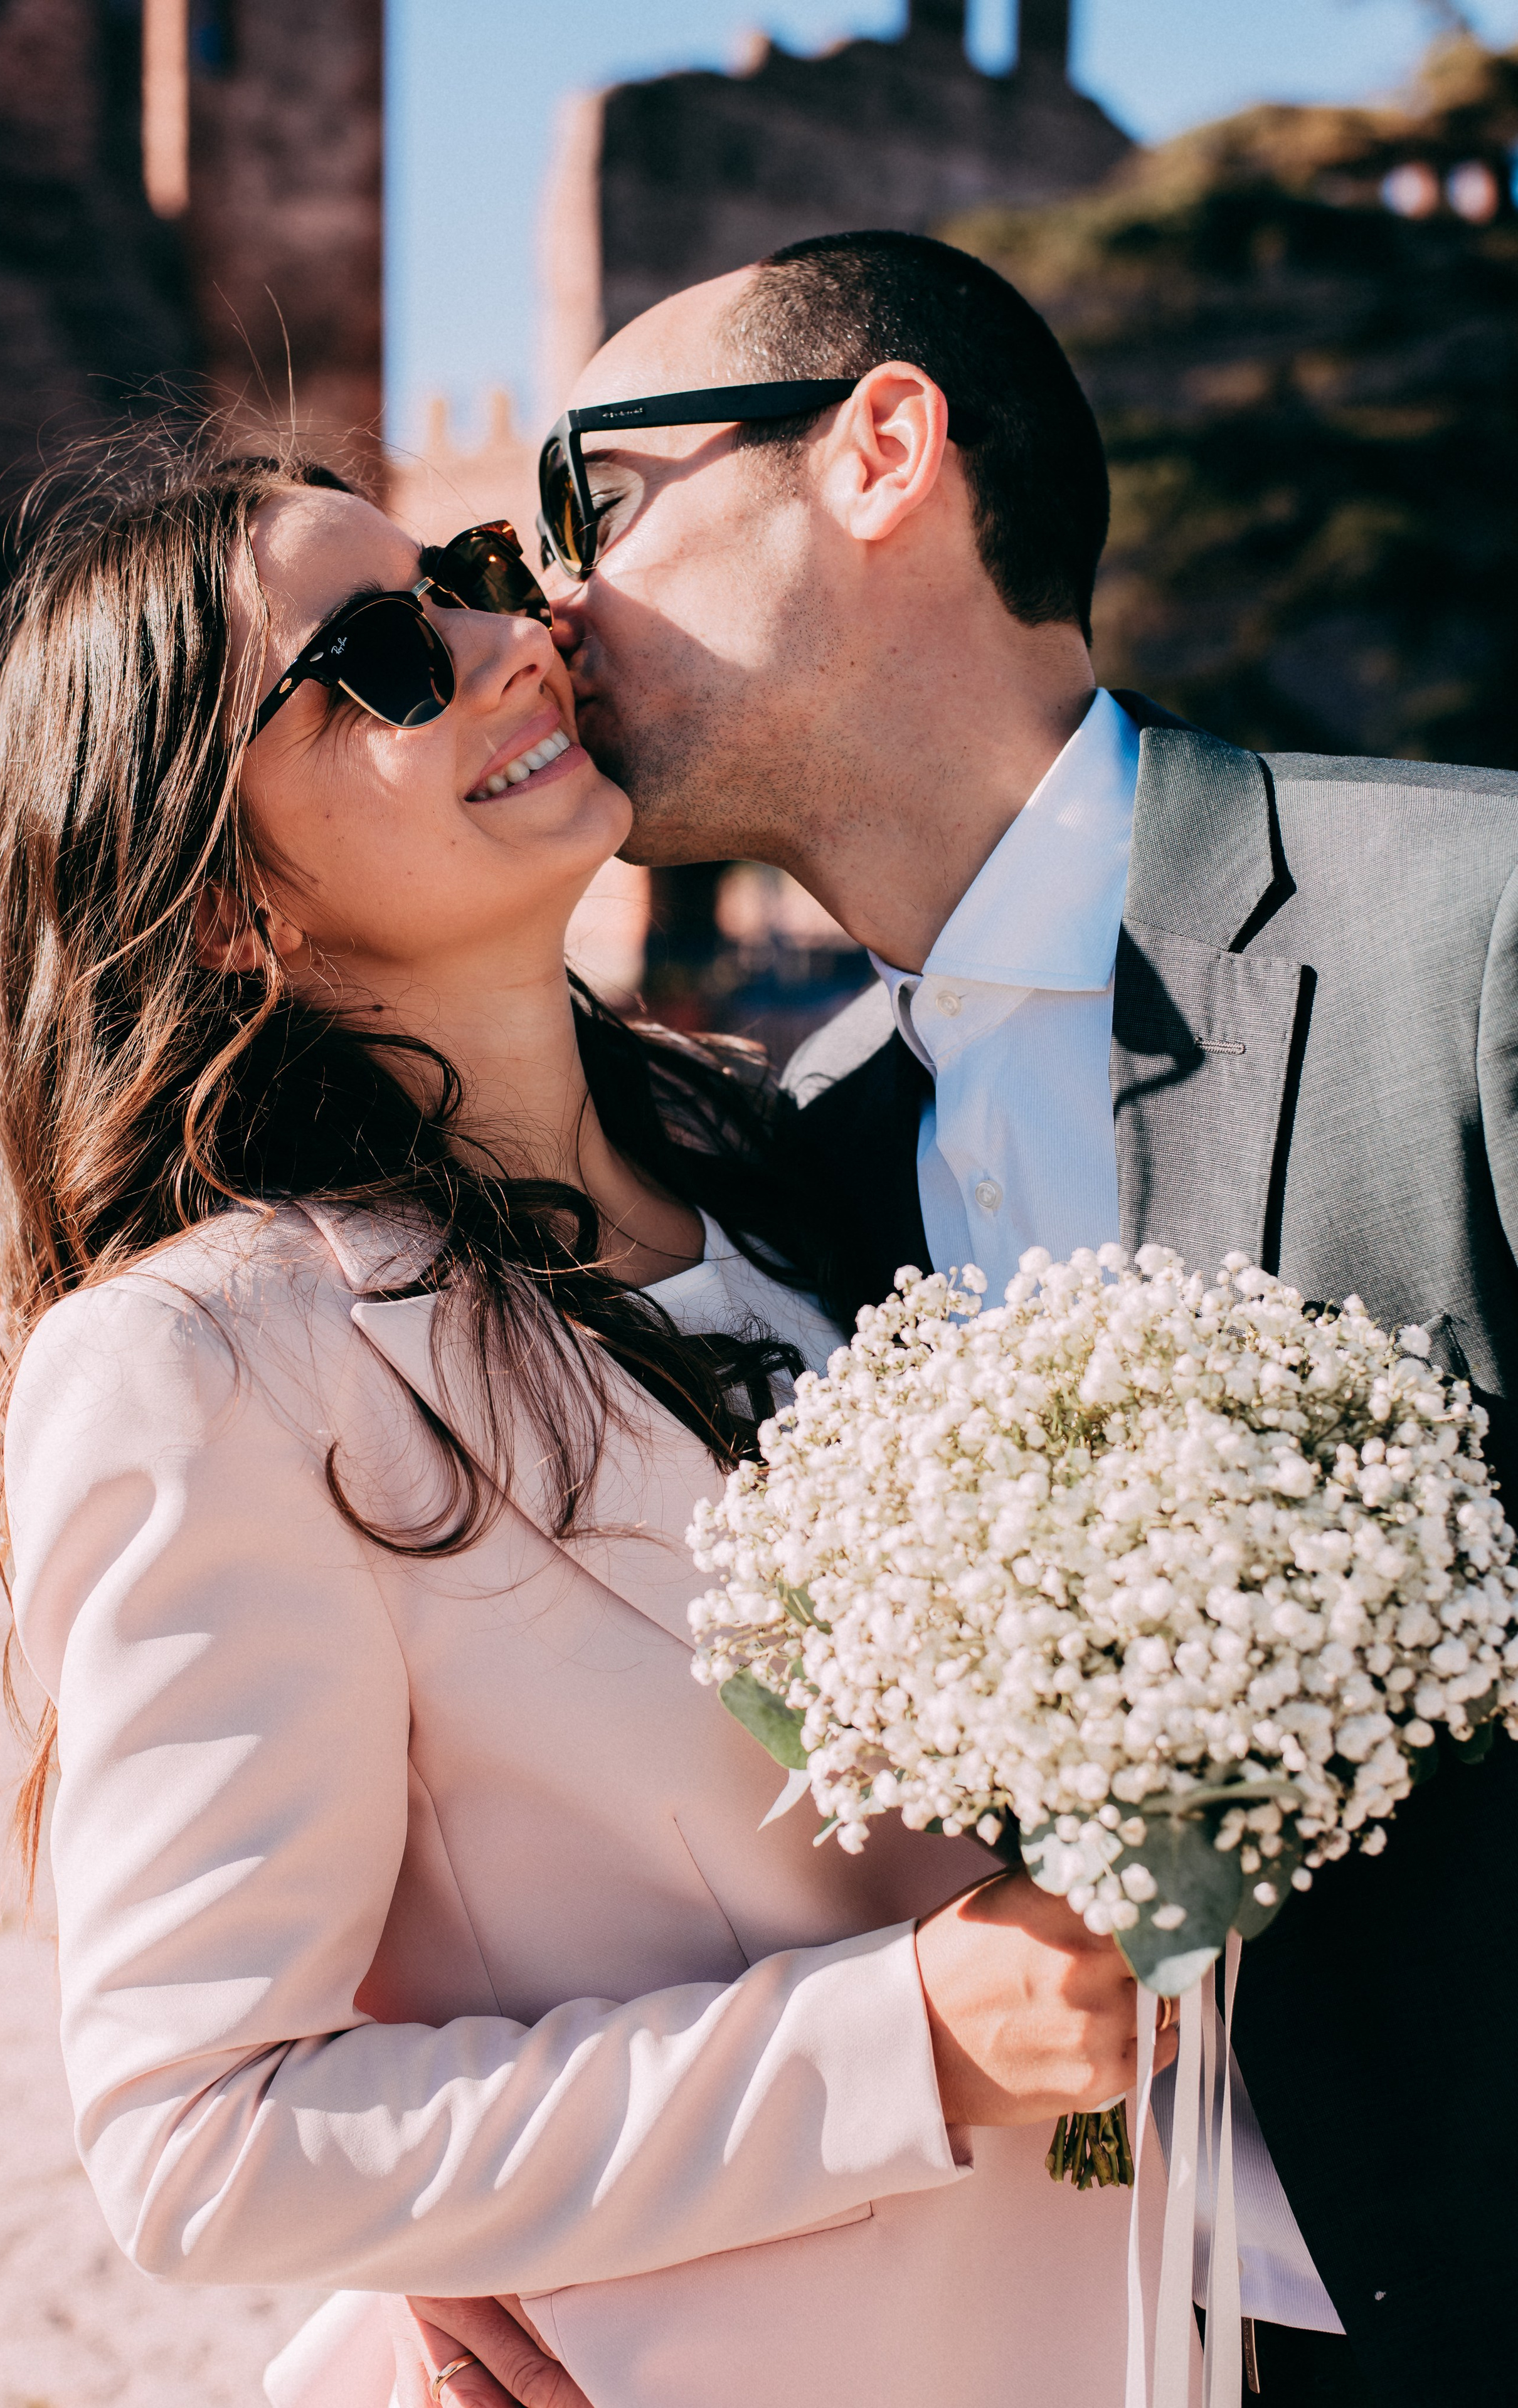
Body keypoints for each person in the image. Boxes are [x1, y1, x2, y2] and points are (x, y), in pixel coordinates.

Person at [0, 443, 1171, 2408]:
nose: (505, 636)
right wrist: (910, 2044)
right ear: (215, 913)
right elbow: (201, 2145)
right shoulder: (206, 1362)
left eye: (464, 569)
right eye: (376, 653)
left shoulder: (801, 1160)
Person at [534, 226, 1518, 2408]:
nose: (549, 603)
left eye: (596, 501)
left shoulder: (1474, 931)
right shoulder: (779, 1174)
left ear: (883, 447)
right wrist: (481, 2258)